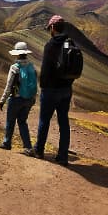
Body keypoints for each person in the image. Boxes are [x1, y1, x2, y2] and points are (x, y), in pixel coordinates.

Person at [34, 15, 76, 165]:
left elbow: (45, 71)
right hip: (66, 89)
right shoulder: (70, 43)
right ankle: (63, 156)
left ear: (52, 28)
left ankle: (39, 150)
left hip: (51, 90)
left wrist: (43, 86)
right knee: (63, 122)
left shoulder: (51, 45)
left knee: (44, 121)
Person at [0, 41, 37, 155]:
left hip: (16, 99)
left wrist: (2, 100)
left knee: (10, 121)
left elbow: (9, 85)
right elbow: (35, 84)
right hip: (29, 99)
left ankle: (7, 143)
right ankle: (28, 147)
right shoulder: (31, 66)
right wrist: (33, 98)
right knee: (22, 122)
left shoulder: (15, 67)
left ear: (17, 54)